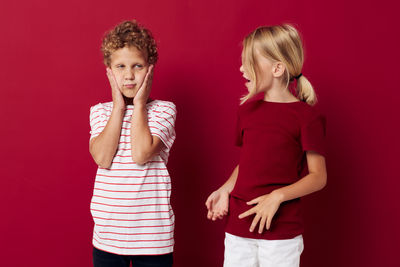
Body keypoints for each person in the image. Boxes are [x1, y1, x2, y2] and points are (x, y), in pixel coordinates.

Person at [205, 24, 327, 267]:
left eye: (248, 62)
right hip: (239, 228)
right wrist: (226, 189)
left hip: (281, 235)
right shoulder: (247, 111)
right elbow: (249, 163)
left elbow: (318, 177)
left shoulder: (306, 117)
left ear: (277, 68)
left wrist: (277, 196)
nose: (241, 68)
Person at [89, 20, 176, 267]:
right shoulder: (100, 112)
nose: (129, 75)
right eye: (120, 66)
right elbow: (103, 158)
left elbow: (141, 154)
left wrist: (139, 105)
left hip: (152, 239)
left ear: (150, 69)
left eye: (137, 66)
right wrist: (118, 106)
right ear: (109, 70)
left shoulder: (163, 110)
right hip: (107, 236)